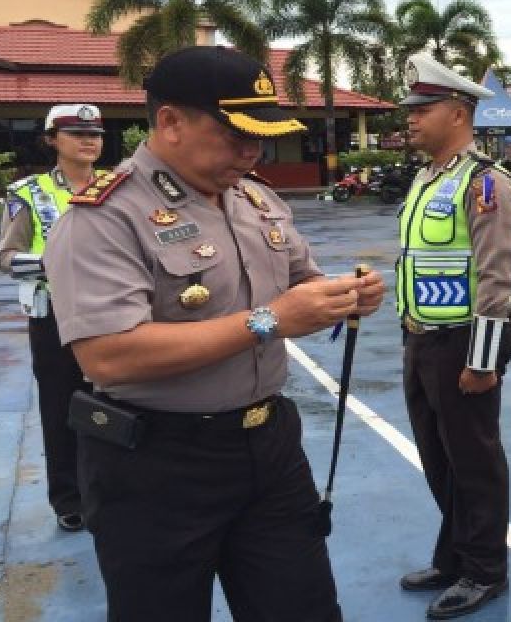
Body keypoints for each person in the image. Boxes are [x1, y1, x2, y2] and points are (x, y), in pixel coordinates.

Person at [43, 46, 385, 621]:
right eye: (234, 133)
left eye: (260, 135)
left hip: (268, 447)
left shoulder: (256, 199)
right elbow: (107, 357)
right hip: (157, 463)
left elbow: (301, 282)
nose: (252, 149)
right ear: (171, 121)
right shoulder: (105, 217)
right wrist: (271, 320)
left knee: (304, 608)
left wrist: (343, 294)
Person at [396, 54, 511, 619]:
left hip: (463, 343)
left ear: (459, 112)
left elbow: (496, 279)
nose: (412, 118)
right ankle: (454, 555)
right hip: (420, 341)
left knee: (474, 461)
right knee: (438, 458)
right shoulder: (427, 179)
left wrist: (484, 361)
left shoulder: (484, 182)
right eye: (411, 109)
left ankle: (485, 570)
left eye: (423, 108)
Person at [0, 103, 106, 533]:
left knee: (120, 400)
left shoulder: (121, 186)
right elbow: (6, 258)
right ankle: (69, 497)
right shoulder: (28, 192)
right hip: (56, 316)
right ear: (51, 140)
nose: (88, 140)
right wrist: (61, 261)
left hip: (116, 314)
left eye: (95, 133)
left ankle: (113, 489)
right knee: (62, 407)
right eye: (76, 133)